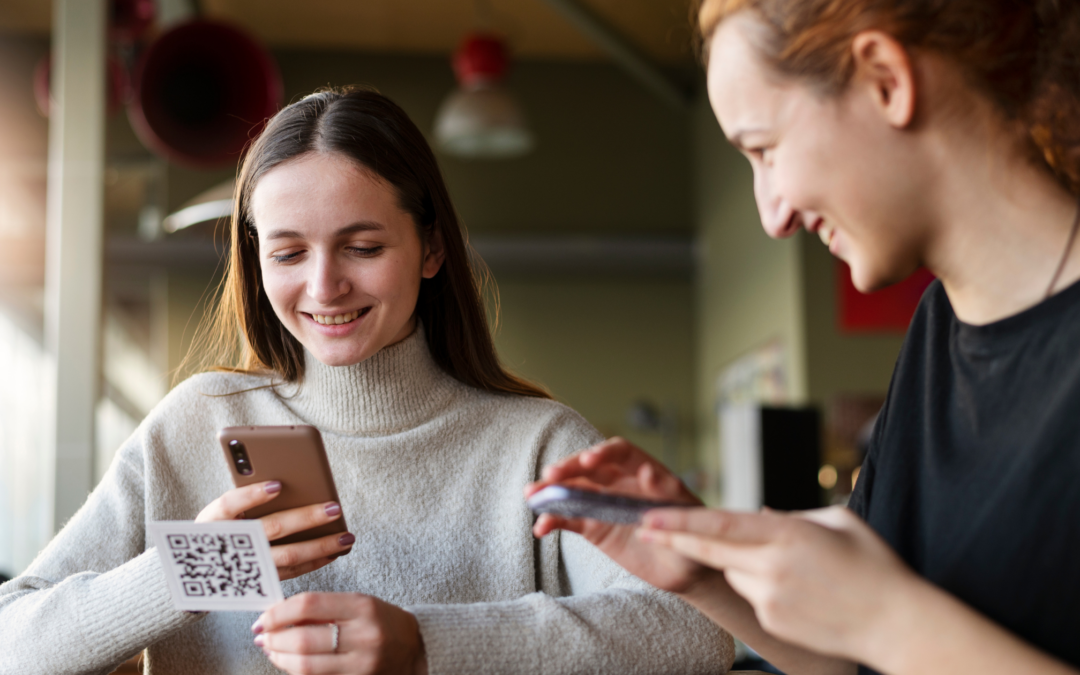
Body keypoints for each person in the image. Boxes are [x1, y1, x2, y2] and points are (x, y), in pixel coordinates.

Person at [0, 87, 732, 675]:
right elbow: (12, 642)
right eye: (288, 253)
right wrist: (194, 571)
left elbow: (701, 628)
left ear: (432, 247)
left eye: (363, 245)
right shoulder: (196, 421)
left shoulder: (533, 444)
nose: (325, 286)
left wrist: (424, 646)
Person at [528, 1, 1080, 674]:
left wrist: (884, 616)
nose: (773, 215)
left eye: (764, 149)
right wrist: (705, 571)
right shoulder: (939, 330)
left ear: (885, 79)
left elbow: (888, 630)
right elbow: (857, 661)